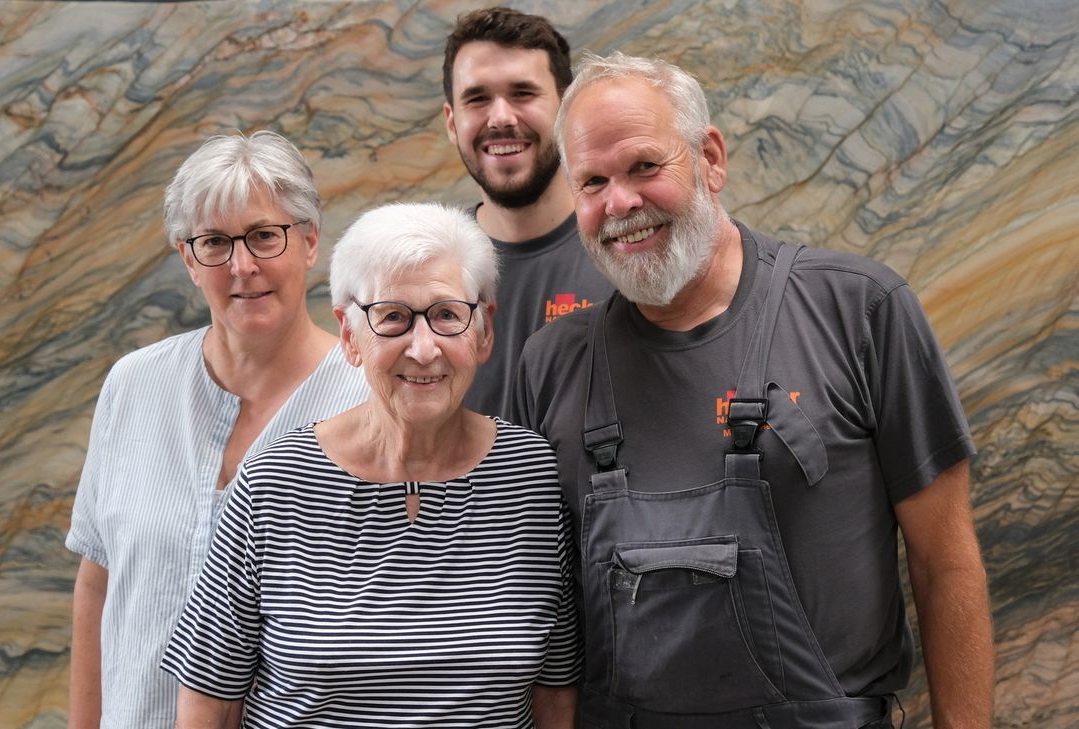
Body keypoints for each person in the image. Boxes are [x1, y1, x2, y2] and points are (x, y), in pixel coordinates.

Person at [513, 52, 994, 728]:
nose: (620, 202)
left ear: (709, 157)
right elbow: (544, 615)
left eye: (645, 166)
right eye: (593, 180)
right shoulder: (553, 361)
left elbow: (946, 561)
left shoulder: (859, 310)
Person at [161, 202, 581, 728]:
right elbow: (210, 704)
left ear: (484, 331)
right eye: (393, 318)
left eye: (448, 315)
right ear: (349, 335)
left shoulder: (531, 476)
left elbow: (556, 697)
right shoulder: (273, 482)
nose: (423, 349)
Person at [65, 130, 370, 729]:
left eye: (264, 235)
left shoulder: (369, 400)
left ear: (310, 242)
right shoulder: (134, 386)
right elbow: (97, 588)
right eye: (214, 242)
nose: (242, 265)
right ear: (188, 258)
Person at [442, 6, 612, 420]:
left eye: (523, 93)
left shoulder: (625, 247)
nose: (501, 117)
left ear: (566, 109)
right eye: (477, 98)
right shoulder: (433, 264)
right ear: (451, 122)